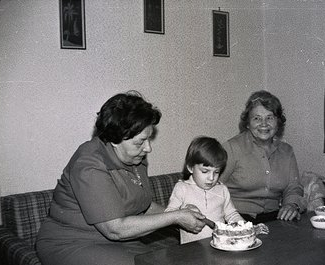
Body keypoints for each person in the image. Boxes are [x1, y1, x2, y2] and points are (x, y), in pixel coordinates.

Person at [36, 91, 206, 265]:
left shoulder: (135, 158)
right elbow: (115, 229)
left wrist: (181, 214)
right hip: (72, 243)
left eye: (149, 140)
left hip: (115, 242)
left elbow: (143, 206)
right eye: (140, 142)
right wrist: (176, 217)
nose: (148, 148)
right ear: (115, 140)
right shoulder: (89, 165)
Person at [219, 90, 304, 223]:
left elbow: (293, 187)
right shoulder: (231, 148)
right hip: (237, 218)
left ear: (278, 122)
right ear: (247, 123)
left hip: (274, 217)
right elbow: (214, 185)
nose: (264, 124)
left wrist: (291, 204)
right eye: (257, 118)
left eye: (269, 118)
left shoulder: (287, 151)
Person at [165, 136, 245, 244]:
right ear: (190, 167)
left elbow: (231, 214)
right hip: (191, 249)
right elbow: (169, 214)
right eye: (205, 171)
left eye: (216, 172)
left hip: (219, 244)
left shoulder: (222, 189)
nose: (211, 178)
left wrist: (245, 227)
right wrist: (183, 212)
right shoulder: (182, 188)